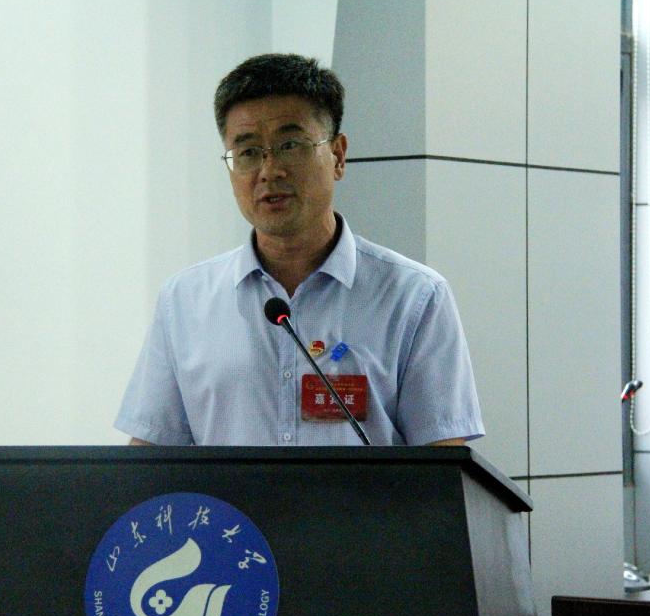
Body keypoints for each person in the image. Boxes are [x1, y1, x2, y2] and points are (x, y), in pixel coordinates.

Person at [115, 53, 483, 447]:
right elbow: (149, 458)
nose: (269, 170)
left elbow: (442, 458)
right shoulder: (185, 300)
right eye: (248, 152)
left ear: (338, 155)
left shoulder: (414, 297)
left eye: (290, 145)